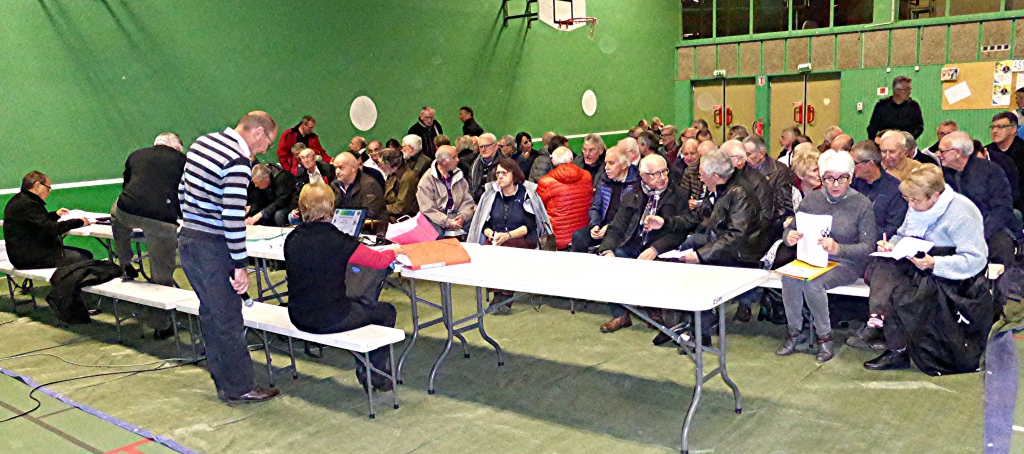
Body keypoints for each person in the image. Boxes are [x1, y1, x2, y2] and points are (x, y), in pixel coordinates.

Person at [178, 111, 280, 405]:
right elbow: (232, 217)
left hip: (188, 240)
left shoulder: (201, 143)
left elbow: (182, 190)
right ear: (258, 132)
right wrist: (240, 265)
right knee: (229, 321)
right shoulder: (237, 161)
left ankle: (223, 381)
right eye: (268, 142)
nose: (265, 150)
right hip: (213, 247)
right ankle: (240, 386)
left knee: (210, 315)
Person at [863, 165, 994, 373]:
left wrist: (935, 264)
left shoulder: (962, 214)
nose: (910, 205)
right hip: (919, 261)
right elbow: (902, 235)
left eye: (915, 200)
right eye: (908, 199)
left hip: (952, 274)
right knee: (883, 265)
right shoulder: (917, 206)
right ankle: (887, 331)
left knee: (899, 291)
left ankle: (886, 331)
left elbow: (975, 260)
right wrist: (891, 245)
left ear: (934, 197)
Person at [284, 183, 402, 391]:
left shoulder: (292, 238)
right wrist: (395, 251)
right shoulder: (338, 240)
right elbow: (378, 261)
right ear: (332, 208)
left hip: (298, 315)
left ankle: (369, 368)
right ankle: (375, 375)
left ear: (302, 207)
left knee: (356, 303)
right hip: (330, 317)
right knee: (386, 312)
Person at [777, 151, 876, 363]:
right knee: (789, 279)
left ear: (851, 178)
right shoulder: (812, 199)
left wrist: (838, 249)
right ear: (822, 178)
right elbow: (791, 229)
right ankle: (794, 331)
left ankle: (825, 336)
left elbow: (868, 247)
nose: (835, 184)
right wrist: (789, 237)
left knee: (814, 284)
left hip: (846, 263)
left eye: (842, 178)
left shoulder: (862, 204)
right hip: (811, 259)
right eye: (829, 178)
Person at [597, 154, 689, 332]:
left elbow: (681, 230)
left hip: (662, 246)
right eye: (655, 174)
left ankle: (654, 309)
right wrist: (607, 250)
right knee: (614, 260)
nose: (662, 177)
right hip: (634, 243)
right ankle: (620, 314)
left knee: (654, 265)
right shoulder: (632, 195)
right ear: (643, 176)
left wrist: (655, 249)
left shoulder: (679, 194)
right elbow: (617, 226)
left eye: (664, 172)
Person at [110, 132, 187, 339]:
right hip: (159, 218)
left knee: (116, 215)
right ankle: (161, 326)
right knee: (161, 272)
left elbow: (127, 185)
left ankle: (125, 261)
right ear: (177, 148)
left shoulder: (136, 155)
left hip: (127, 209)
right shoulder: (182, 160)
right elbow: (185, 192)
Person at [466, 159, 553, 313]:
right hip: (498, 238)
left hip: (523, 238)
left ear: (514, 174)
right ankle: (500, 294)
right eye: (497, 173)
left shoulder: (526, 194)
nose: (499, 176)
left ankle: (503, 296)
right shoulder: (491, 195)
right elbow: (484, 224)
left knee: (506, 250)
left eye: (504, 173)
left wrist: (507, 235)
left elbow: (529, 226)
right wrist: (492, 234)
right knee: (488, 250)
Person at [939, 131, 1020, 267]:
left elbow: (1002, 209)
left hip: (991, 228)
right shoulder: (941, 174)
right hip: (955, 230)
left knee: (1001, 246)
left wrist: (979, 233)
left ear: (958, 152)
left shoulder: (991, 171)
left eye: (942, 151)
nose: (938, 155)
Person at [4, 171, 92, 269]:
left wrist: (56, 214)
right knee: (84, 256)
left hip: (23, 255)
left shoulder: (19, 200)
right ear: (37, 185)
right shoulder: (29, 204)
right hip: (32, 258)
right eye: (48, 188)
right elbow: (51, 228)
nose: (49, 192)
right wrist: (79, 222)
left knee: (80, 254)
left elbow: (37, 222)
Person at [570, 146, 639, 253]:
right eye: (605, 163)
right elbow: (595, 207)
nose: (606, 167)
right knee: (579, 236)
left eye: (611, 163)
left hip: (621, 231)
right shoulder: (603, 181)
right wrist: (595, 225)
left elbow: (632, 218)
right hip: (602, 227)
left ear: (624, 165)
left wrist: (610, 227)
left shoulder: (636, 184)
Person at [537, 147, 594, 250]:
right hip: (583, 236)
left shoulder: (545, 182)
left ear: (553, 161)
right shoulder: (587, 176)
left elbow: (539, 209)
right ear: (572, 158)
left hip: (557, 240)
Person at [851, 140, 908, 241]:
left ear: (870, 163)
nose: (851, 167)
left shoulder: (895, 190)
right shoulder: (853, 183)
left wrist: (863, 234)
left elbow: (893, 228)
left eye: (854, 163)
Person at [418, 145, 476, 239]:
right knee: (437, 234)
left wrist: (462, 216)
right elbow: (428, 209)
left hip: (457, 216)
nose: (458, 160)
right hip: (436, 220)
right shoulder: (426, 181)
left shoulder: (459, 176)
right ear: (443, 161)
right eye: (454, 157)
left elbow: (467, 201)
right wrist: (448, 222)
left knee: (476, 227)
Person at [330, 152, 386, 226]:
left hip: (370, 228)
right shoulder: (334, 185)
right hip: (342, 227)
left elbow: (370, 213)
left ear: (353, 168)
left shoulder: (369, 185)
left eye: (341, 167)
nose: (337, 172)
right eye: (335, 168)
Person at [986, 112, 1024, 210]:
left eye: (1000, 127)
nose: (994, 131)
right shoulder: (987, 151)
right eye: (993, 127)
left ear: (1013, 129)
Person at [368, 148, 415, 223]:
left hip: (403, 220)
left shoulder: (407, 178)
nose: (379, 166)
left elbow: (401, 208)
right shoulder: (393, 174)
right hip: (392, 215)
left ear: (388, 164)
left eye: (380, 164)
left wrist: (380, 208)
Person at [470, 133, 502, 202]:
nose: (483, 149)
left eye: (487, 146)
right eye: (481, 147)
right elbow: (470, 187)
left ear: (496, 146)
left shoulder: (505, 164)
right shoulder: (474, 165)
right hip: (477, 202)